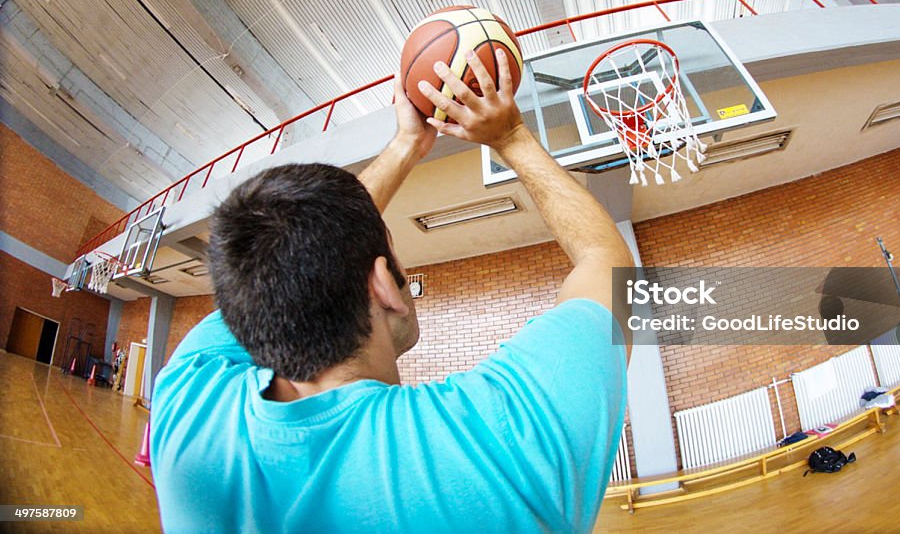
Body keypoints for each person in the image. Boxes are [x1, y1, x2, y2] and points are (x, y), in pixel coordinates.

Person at [150, 49, 634, 532]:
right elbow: (607, 264)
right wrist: (510, 136)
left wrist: (408, 144)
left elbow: (290, 260)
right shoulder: (499, 446)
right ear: (384, 284)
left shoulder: (187, 404)